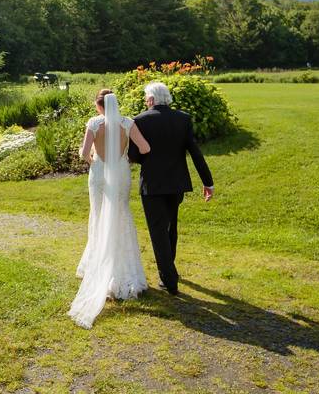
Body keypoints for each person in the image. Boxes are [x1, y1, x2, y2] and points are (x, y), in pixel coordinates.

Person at [68, 90, 151, 329]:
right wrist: (124, 158)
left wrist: (95, 161)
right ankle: (125, 273)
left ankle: (96, 266)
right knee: (121, 216)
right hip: (121, 173)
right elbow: (144, 148)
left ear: (98, 106)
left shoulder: (94, 124)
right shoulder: (128, 123)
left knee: (98, 216)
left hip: (99, 175)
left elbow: (84, 153)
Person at [128, 82, 214, 296]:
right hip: (176, 184)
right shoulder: (183, 119)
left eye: (145, 99)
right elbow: (195, 152)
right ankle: (169, 270)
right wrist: (207, 181)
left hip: (152, 184)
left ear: (150, 99)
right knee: (170, 228)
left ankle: (169, 281)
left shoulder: (139, 120)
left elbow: (135, 155)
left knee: (158, 233)